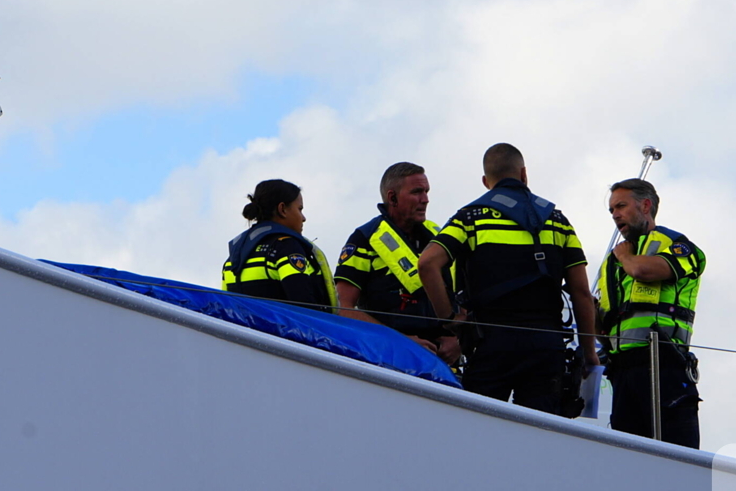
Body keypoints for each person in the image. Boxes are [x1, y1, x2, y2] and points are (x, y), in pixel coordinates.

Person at [418, 143, 599, 414]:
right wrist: (589, 352)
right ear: (524, 174)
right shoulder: (558, 220)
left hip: (491, 343)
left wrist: (450, 319)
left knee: (479, 430)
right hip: (545, 344)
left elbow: (428, 262)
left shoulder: (471, 218)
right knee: (540, 432)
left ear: (485, 181)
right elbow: (582, 293)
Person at [596, 178, 705, 449]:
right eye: (611, 210)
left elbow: (644, 271)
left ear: (646, 206)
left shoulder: (677, 244)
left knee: (678, 459)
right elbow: (603, 320)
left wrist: (624, 257)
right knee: (628, 461)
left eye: (621, 206)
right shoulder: (610, 265)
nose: (615, 214)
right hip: (622, 372)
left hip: (664, 363)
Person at [335, 162, 461, 365]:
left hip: (445, 363)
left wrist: (458, 339)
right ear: (392, 197)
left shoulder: (439, 237)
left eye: (427, 191)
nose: (425, 199)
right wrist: (400, 341)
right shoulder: (364, 239)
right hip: (390, 361)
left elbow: (465, 296)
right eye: (417, 192)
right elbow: (344, 308)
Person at [222, 179, 338, 312]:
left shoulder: (234, 256)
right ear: (282, 209)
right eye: (299, 209)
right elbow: (305, 308)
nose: (303, 217)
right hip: (284, 332)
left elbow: (227, 307)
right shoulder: (287, 247)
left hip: (241, 331)